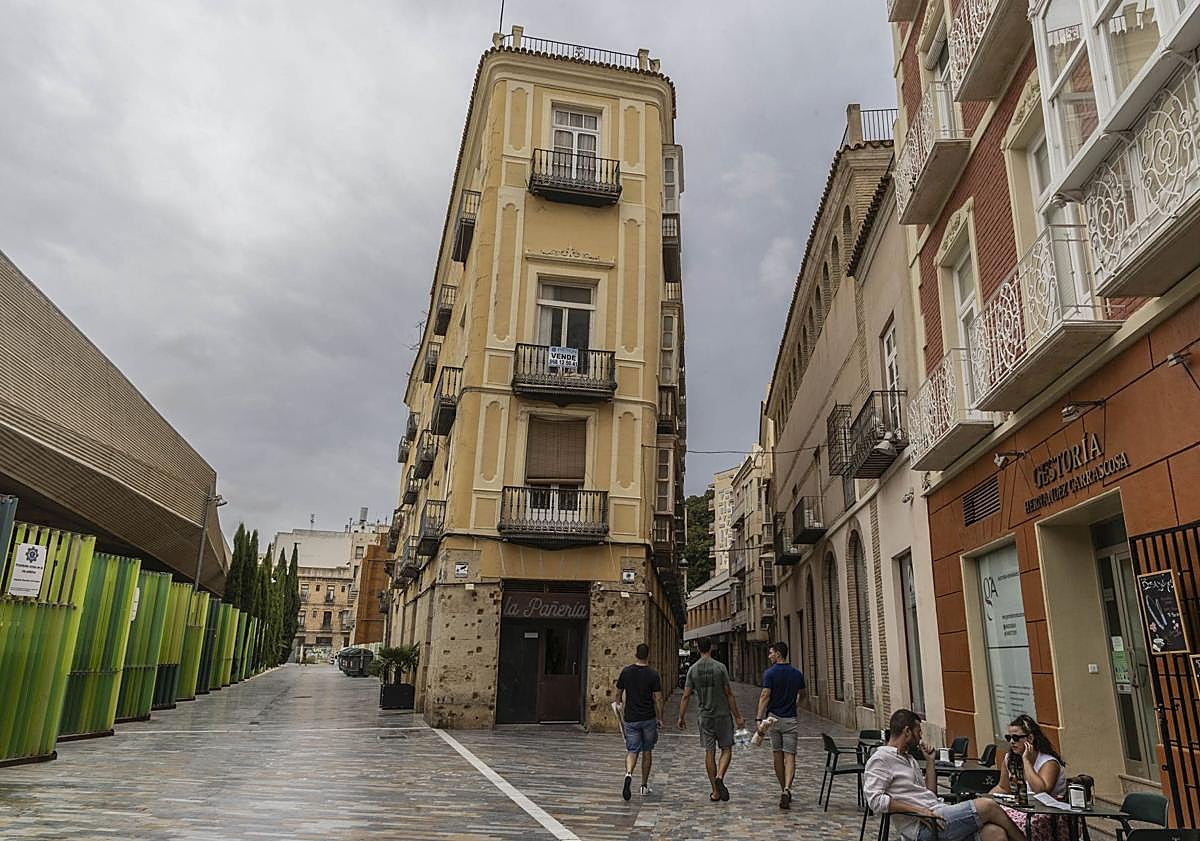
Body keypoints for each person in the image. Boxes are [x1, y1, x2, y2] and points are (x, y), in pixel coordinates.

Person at [863, 708, 1024, 841]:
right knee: (988, 806)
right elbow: (875, 801)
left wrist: (931, 761)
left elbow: (929, 794)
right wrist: (918, 810)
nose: (921, 737)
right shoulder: (881, 759)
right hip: (921, 828)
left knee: (996, 834)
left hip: (938, 813)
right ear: (907, 731)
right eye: (918, 732)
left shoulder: (909, 759)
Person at [677, 637, 745, 802]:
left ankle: (715, 791)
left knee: (709, 752)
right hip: (722, 715)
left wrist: (681, 716)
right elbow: (729, 693)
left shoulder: (693, 670)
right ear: (711, 648)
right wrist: (738, 716)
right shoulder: (720, 668)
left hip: (705, 716)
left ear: (698, 648)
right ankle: (720, 776)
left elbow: (686, 696)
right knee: (726, 749)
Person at [990, 713, 1069, 841]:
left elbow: (1041, 790)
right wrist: (987, 798)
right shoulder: (1010, 759)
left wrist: (1026, 761)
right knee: (991, 829)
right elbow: (1003, 787)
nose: (1011, 742)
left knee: (992, 817)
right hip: (1022, 810)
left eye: (1016, 738)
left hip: (1047, 815)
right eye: (1008, 737)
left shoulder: (1048, 762)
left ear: (1030, 738)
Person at [754, 640, 806, 809]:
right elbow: (802, 694)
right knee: (790, 756)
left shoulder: (770, 673)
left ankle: (782, 788)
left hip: (773, 720)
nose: (769, 656)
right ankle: (787, 788)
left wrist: (758, 718)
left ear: (778, 654)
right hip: (791, 719)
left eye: (770, 653)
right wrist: (794, 704)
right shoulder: (797, 674)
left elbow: (764, 695)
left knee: (777, 754)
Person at [614, 642, 664, 800]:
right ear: (648, 656)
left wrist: (619, 704)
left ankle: (628, 774)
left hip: (631, 718)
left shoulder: (626, 672)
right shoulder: (653, 674)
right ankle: (643, 785)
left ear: (636, 654)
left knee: (632, 750)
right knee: (647, 750)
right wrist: (660, 717)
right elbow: (658, 698)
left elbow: (618, 693)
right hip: (648, 718)